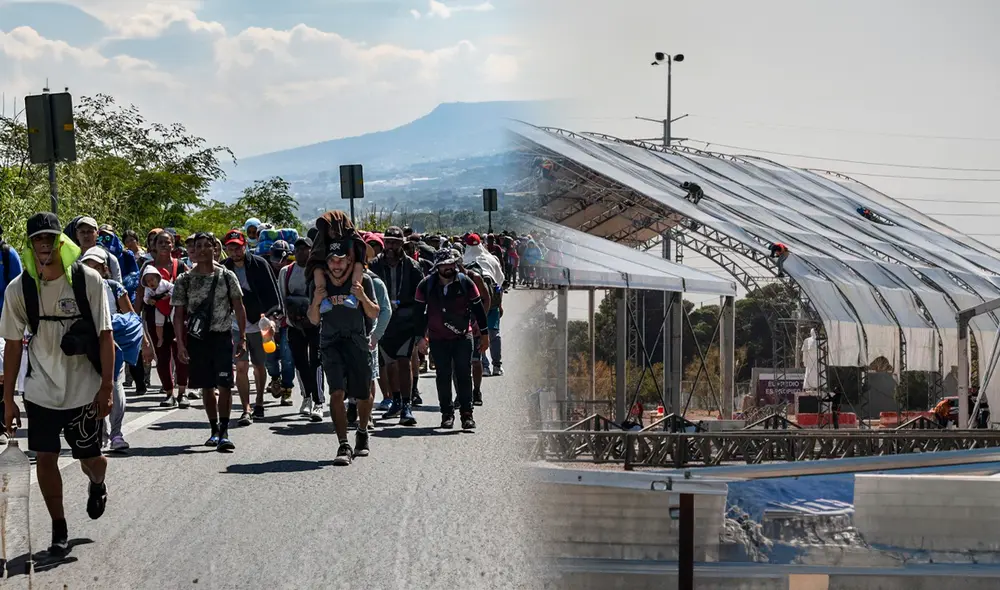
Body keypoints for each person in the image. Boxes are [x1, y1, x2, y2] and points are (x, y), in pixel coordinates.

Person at [1, 212, 113, 557]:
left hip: (84, 388)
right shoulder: (19, 288)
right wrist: (8, 399)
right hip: (41, 388)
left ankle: (97, 484)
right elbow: (13, 345)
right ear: (30, 244)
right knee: (45, 457)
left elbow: (105, 336)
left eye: (50, 237)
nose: (44, 244)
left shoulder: (88, 280)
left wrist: (106, 388)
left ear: (61, 241)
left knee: (93, 460)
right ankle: (58, 528)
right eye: (38, 239)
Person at [307, 236, 380, 464]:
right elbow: (313, 319)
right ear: (326, 262)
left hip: (357, 342)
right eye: (332, 260)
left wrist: (362, 297)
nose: (336, 265)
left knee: (363, 395)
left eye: (341, 260)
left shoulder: (362, 281)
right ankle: (343, 444)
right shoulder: (319, 284)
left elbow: (374, 312)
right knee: (336, 393)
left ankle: (362, 431)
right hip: (331, 343)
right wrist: (316, 301)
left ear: (349, 261)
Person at [174, 233, 247, 451]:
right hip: (198, 340)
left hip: (222, 336)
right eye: (198, 246)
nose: (203, 250)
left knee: (225, 385)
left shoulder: (226, 276)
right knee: (206, 386)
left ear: (215, 249)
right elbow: (178, 314)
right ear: (193, 250)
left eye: (208, 245)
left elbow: (239, 307)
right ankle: (214, 429)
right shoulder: (184, 280)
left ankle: (224, 431)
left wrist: (242, 337)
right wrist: (180, 344)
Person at [80, 247, 148, 453]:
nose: (92, 270)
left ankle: (116, 434)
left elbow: (131, 316)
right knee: (92, 388)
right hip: (87, 345)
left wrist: (145, 343)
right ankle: (100, 433)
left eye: (96, 266)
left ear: (104, 268)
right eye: (87, 266)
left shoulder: (114, 287)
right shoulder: (75, 289)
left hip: (112, 344)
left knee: (115, 385)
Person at [415, 249, 489, 430]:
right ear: (437, 266)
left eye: (451, 263)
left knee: (464, 375)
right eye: (444, 265)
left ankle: (467, 414)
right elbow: (418, 314)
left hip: (463, 336)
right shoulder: (425, 285)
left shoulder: (466, 282)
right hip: (438, 338)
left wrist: (485, 335)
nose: (448, 267)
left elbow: (479, 309)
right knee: (443, 376)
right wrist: (420, 337)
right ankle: (447, 414)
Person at [368, 226, 425, 425]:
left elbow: (421, 298)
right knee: (389, 363)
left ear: (402, 244)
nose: (391, 246)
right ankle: (396, 401)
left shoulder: (413, 266)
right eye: (388, 242)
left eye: (395, 242)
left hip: (406, 321)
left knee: (403, 360)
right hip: (383, 321)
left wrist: (421, 330)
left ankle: (407, 405)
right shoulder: (374, 265)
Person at [222, 229, 281, 423]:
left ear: (245, 246)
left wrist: (272, 318)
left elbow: (272, 293)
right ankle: (246, 408)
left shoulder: (259, 264)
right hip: (235, 324)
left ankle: (259, 402)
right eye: (231, 249)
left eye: (238, 248)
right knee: (240, 366)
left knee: (259, 365)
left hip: (259, 322)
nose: (235, 252)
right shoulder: (224, 268)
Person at [135, 230, 190, 406]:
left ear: (173, 245)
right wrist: (134, 317)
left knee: (181, 352)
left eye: (168, 242)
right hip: (154, 316)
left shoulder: (180, 265)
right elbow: (140, 292)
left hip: (178, 316)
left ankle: (182, 392)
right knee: (162, 354)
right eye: (161, 242)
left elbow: (191, 286)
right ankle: (168, 392)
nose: (164, 245)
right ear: (154, 246)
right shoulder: (147, 266)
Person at [280, 238, 324, 421]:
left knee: (317, 362)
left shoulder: (318, 270)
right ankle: (306, 397)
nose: (301, 252)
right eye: (298, 249)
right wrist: (288, 319)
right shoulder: (286, 271)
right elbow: (282, 297)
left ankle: (319, 401)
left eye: (305, 249)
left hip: (316, 324)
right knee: (300, 362)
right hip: (294, 324)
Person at [141, 265, 174, 348]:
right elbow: (145, 298)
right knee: (158, 323)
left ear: (157, 277)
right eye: (148, 281)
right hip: (159, 306)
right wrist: (149, 301)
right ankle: (160, 338)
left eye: (152, 279)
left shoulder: (164, 283)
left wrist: (169, 295)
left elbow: (174, 288)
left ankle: (177, 335)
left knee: (174, 319)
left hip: (169, 304)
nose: (150, 282)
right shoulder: (148, 289)